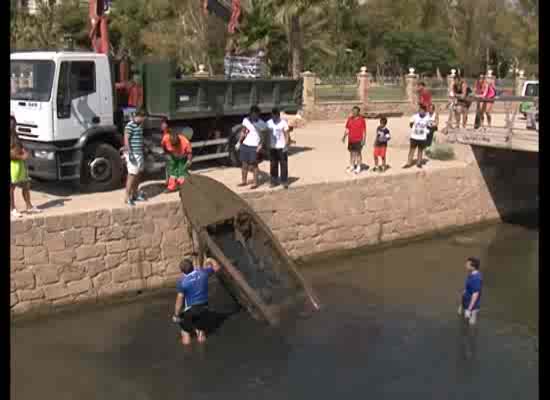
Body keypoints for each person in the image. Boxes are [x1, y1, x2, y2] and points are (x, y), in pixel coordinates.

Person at [172, 257, 222, 345]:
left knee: (184, 329)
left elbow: (179, 301)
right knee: (200, 329)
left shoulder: (182, 282)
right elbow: (217, 268)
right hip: (205, 308)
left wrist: (176, 315)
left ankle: (187, 351)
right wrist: (211, 259)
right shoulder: (203, 272)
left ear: (182, 271)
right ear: (193, 266)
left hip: (191, 310)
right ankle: (200, 336)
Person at [10, 115, 40, 218]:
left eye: (14, 123)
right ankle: (12, 209)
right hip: (13, 164)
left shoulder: (15, 135)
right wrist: (21, 157)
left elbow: (20, 146)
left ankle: (29, 206)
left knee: (26, 184)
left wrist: (24, 151)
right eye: (11, 123)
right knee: (11, 187)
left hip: (20, 164)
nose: (13, 125)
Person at [160, 117, 192, 192]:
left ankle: (185, 186)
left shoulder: (185, 142)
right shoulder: (166, 138)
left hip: (182, 157)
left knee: (182, 171)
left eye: (175, 145)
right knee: (172, 172)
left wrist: (189, 160)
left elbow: (189, 152)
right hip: (172, 156)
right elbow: (163, 147)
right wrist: (166, 154)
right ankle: (171, 187)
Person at [238, 105, 265, 189]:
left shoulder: (261, 123)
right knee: (244, 164)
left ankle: (255, 183)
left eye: (255, 114)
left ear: (258, 114)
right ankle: (243, 181)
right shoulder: (246, 120)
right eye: (252, 114)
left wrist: (260, 145)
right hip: (245, 145)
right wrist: (239, 142)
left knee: (254, 165)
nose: (253, 116)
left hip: (254, 146)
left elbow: (264, 136)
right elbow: (243, 131)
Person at [123, 109, 147, 206]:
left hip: (139, 153)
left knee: (137, 175)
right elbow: (126, 139)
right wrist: (129, 152)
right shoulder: (130, 125)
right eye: (142, 118)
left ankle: (135, 194)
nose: (143, 120)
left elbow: (139, 139)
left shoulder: (140, 125)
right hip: (133, 154)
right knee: (131, 175)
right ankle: (127, 197)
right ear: (138, 116)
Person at [267, 108, 290, 189]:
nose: (273, 118)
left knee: (283, 165)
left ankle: (284, 181)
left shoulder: (283, 123)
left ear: (278, 115)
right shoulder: (269, 123)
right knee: (273, 165)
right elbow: (266, 135)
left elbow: (287, 135)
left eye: (275, 116)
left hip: (282, 147)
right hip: (272, 147)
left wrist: (286, 145)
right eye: (272, 116)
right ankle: (274, 181)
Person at [404, 104, 432, 169]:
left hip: (422, 137)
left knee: (420, 150)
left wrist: (427, 131)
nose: (421, 112)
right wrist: (414, 130)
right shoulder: (415, 116)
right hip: (414, 137)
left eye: (422, 111)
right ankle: (408, 163)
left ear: (425, 111)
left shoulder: (427, 118)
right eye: (420, 110)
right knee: (411, 150)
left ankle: (419, 163)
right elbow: (411, 123)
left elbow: (430, 125)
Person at [458, 257, 483, 326]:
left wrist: (469, 310)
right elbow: (466, 290)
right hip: (466, 304)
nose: (465, 265)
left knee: (471, 327)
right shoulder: (471, 275)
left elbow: (475, 295)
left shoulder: (476, 278)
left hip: (472, 308)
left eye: (467, 264)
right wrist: (461, 305)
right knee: (464, 324)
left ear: (473, 267)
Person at [342, 106, 366, 174]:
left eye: (355, 111)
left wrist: (364, 140)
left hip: (358, 139)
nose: (353, 112)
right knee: (352, 153)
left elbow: (364, 131)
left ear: (358, 112)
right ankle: (352, 166)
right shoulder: (349, 119)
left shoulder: (362, 120)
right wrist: (344, 137)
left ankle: (358, 167)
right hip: (351, 140)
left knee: (358, 153)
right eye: (353, 111)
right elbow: (347, 129)